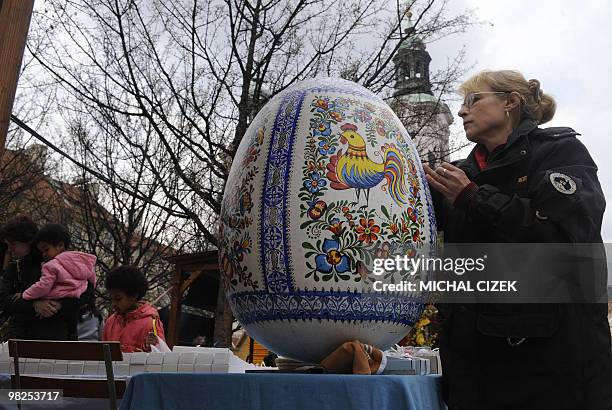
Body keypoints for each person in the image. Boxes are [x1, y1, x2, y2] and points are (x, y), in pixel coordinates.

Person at [423, 70, 612, 409]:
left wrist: (473, 198)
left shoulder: (560, 152)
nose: (462, 111)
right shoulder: (459, 174)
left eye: (472, 100)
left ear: (510, 102)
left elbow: (562, 242)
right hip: (472, 372)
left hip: (547, 371)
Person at [12, 223, 97, 338]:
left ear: (60, 245)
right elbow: (91, 283)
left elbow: (43, 286)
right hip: (70, 324)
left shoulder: (52, 265)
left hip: (47, 323)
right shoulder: (81, 261)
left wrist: (25, 295)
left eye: (46, 249)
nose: (44, 254)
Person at [0, 216, 78, 340]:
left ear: (28, 241)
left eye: (13, 244)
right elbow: (4, 299)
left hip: (57, 338)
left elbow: (83, 295)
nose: (10, 250)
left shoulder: (57, 262)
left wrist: (59, 305)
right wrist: (34, 304)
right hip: (23, 337)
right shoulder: (15, 268)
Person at [102, 265, 166, 352]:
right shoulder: (110, 322)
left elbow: (159, 356)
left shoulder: (151, 323)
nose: (113, 304)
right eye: (111, 299)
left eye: (118, 299)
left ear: (134, 295)